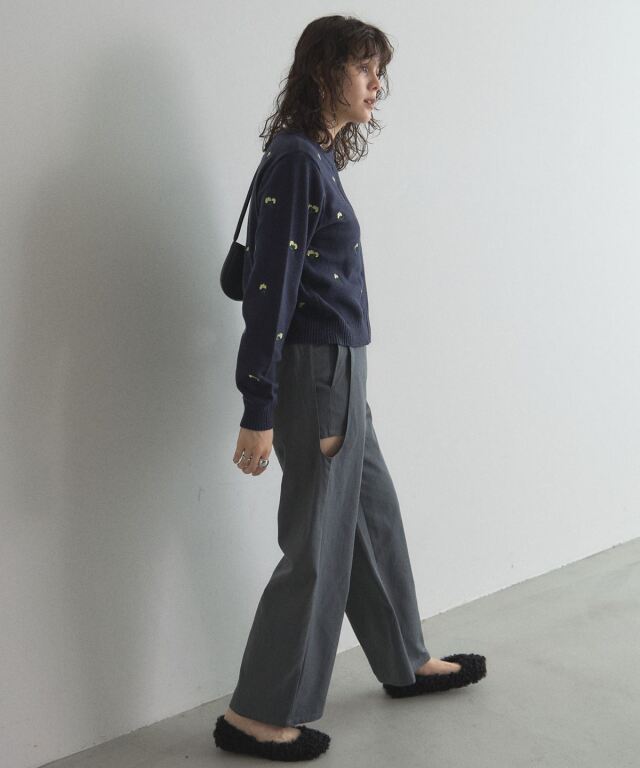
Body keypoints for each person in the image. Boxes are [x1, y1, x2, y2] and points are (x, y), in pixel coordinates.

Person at [214, 14, 486, 762]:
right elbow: (269, 292)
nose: (377, 84)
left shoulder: (314, 159)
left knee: (372, 515)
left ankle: (404, 659)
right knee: (317, 545)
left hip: (341, 367)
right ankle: (256, 715)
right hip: (316, 372)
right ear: (323, 71)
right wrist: (258, 406)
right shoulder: (298, 163)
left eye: (379, 70)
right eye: (364, 68)